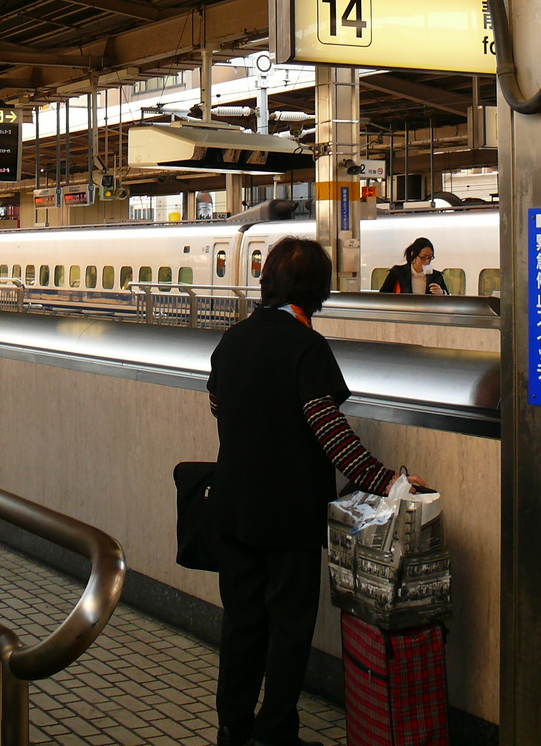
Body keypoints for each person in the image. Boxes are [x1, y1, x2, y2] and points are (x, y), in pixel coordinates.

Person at [207, 237, 419, 746]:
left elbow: (218, 404)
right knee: (288, 628)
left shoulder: (232, 340)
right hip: (287, 516)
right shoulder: (306, 346)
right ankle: (275, 731)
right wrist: (392, 483)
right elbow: (329, 431)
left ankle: (234, 727)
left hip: (233, 509)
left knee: (241, 624)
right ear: (317, 291)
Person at [378, 237, 449, 296]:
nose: (427, 261)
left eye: (430, 258)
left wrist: (442, 293)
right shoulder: (398, 273)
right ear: (413, 255)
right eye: (423, 258)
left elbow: (449, 300)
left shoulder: (436, 276)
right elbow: (382, 296)